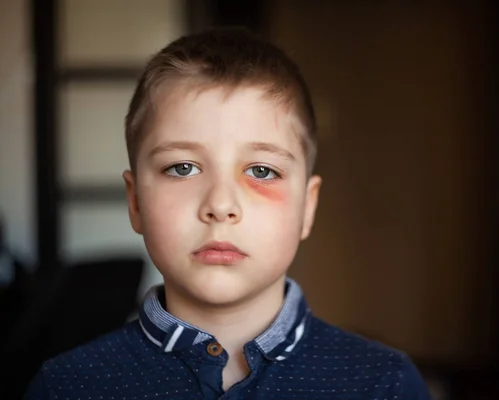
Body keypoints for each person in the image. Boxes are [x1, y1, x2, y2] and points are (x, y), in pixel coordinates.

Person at [25, 27, 431, 399]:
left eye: (261, 171)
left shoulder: (383, 384)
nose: (220, 205)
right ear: (135, 203)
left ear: (307, 207)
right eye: (182, 168)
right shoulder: (69, 385)